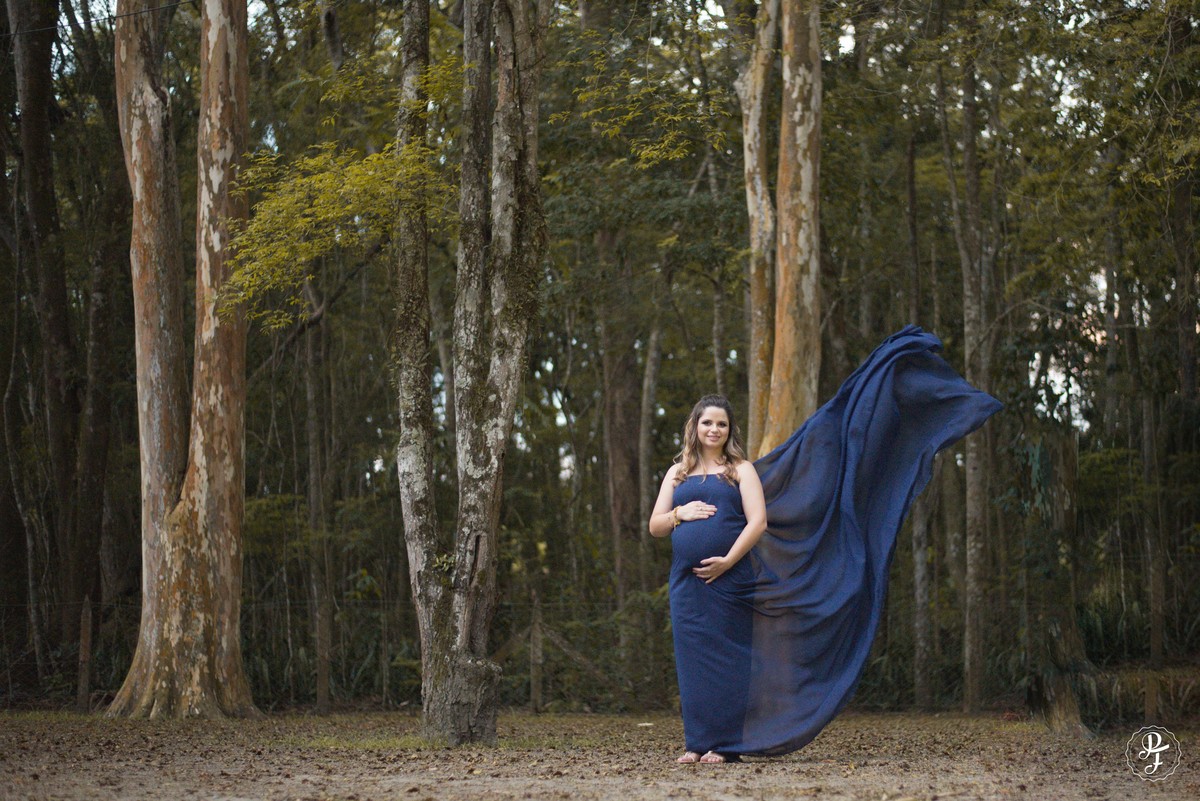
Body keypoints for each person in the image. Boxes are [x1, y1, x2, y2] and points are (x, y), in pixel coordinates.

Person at [648, 326, 1003, 764]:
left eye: (721, 423)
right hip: (687, 584)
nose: (714, 429)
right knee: (692, 661)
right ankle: (695, 742)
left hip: (731, 579)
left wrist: (727, 561)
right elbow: (655, 526)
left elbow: (758, 523)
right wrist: (680, 514)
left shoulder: (741, 470)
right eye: (707, 422)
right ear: (695, 426)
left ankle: (723, 746)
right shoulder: (677, 473)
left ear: (729, 429)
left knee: (728, 661)